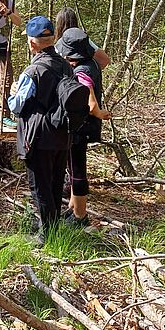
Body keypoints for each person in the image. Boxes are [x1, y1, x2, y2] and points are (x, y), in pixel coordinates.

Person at [8, 15, 72, 245]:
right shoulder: (65, 64)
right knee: (55, 183)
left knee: (40, 187)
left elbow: (17, 106)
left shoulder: (32, 71)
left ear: (32, 43)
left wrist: (12, 93)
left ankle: (48, 235)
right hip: (62, 134)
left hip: (37, 137)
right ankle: (53, 225)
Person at [56, 28, 111, 226]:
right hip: (84, 127)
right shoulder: (92, 64)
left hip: (80, 127)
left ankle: (80, 215)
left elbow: (91, 103)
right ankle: (73, 208)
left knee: (78, 170)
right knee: (74, 167)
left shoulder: (82, 71)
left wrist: (99, 113)